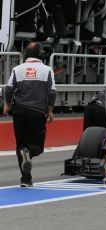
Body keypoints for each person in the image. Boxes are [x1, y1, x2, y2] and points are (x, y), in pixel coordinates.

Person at [3, 42, 56, 187]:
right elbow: (51, 92)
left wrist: (7, 105)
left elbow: (8, 89)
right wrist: (50, 110)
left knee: (21, 145)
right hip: (37, 112)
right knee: (37, 147)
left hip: (19, 111)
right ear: (41, 55)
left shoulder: (17, 69)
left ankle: (26, 179)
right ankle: (29, 154)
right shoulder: (47, 70)